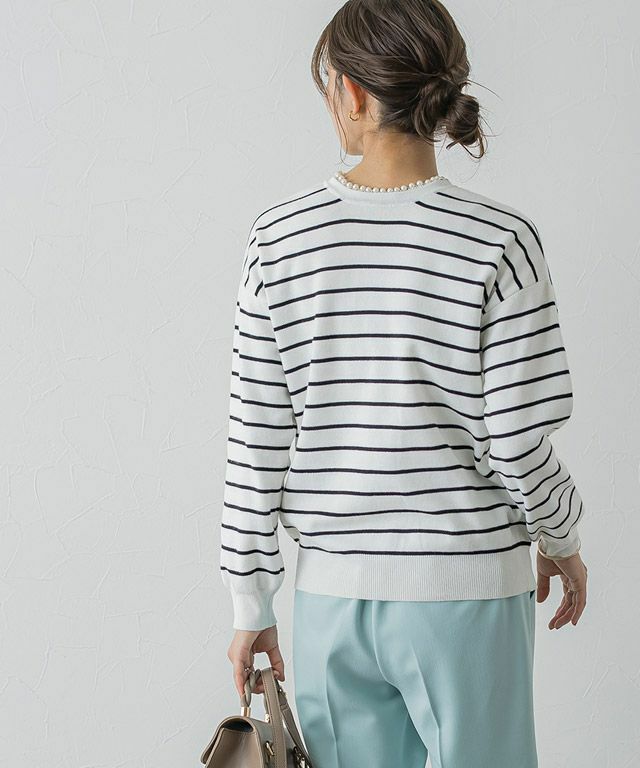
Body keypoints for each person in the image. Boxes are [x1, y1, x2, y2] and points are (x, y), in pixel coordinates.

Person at [221, 1, 588, 766]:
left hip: (333, 599)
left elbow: (256, 442)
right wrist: (561, 537)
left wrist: (250, 603)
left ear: (351, 92)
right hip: (469, 591)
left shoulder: (278, 241)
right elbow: (517, 442)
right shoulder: (501, 241)